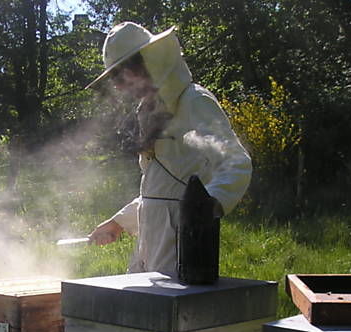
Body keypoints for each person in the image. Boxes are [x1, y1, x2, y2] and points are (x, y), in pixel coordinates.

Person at [87, 22, 252, 276]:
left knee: (175, 313)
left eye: (121, 75)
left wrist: (205, 208)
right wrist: (119, 223)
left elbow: (237, 163)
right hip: (148, 245)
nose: (119, 86)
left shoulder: (195, 101)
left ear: (147, 63)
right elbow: (158, 189)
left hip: (185, 248)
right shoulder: (149, 110)